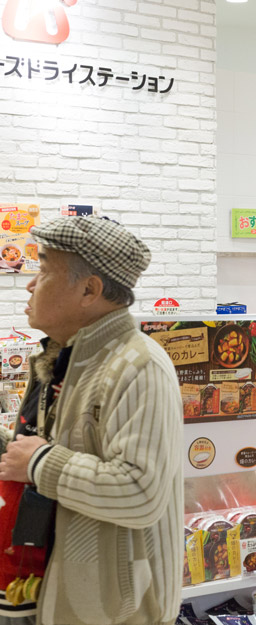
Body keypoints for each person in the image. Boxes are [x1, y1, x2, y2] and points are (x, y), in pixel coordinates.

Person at [0, 216, 183, 625]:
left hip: (119, 611)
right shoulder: (67, 357)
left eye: (44, 269)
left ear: (89, 290)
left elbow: (140, 490)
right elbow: (51, 444)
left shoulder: (139, 365)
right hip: (64, 594)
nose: (30, 284)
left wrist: (39, 463)